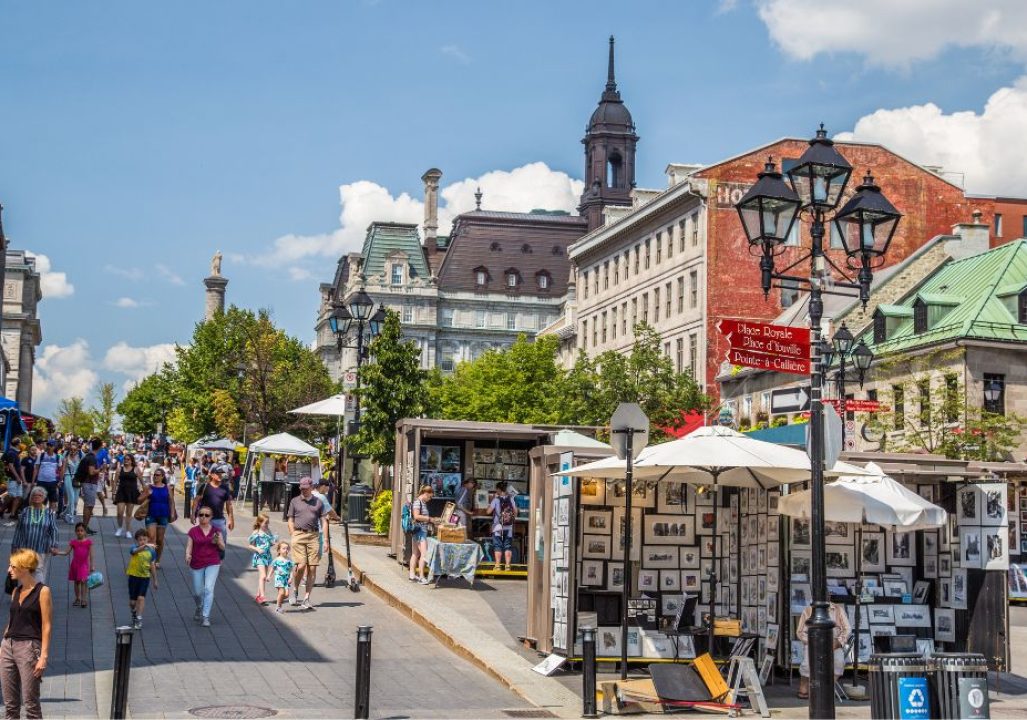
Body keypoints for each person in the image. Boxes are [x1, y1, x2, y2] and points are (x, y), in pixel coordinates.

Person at [0, 548, 53, 719]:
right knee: (10, 705)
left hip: (29, 648)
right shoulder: (16, 591)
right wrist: (3, 644)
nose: (9, 570)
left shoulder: (43, 591)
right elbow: (12, 619)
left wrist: (43, 656)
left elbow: (46, 625)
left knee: (31, 704)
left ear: (23, 567)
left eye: (12, 566)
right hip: (8, 647)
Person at [796, 601, 851, 699]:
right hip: (813, 642)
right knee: (807, 664)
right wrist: (812, 641)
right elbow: (800, 632)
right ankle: (804, 683)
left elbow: (847, 629)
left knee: (838, 662)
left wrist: (838, 642)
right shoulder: (808, 610)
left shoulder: (838, 609)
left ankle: (827, 687)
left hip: (833, 643)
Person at [286, 477, 326, 610]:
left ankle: (307, 598)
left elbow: (324, 521)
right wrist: (293, 533)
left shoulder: (319, 502)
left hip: (313, 536)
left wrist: (325, 540)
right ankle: (295, 590)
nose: (303, 490)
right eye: (302, 488)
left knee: (312, 568)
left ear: (311, 487)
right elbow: (290, 519)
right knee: (301, 565)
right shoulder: (294, 501)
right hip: (298, 534)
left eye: (306, 488)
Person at [186, 505, 225, 627]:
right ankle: (199, 607)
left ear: (211, 517)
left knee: (208, 589)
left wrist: (218, 541)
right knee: (197, 592)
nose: (203, 517)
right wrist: (187, 555)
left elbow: (223, 547)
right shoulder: (193, 531)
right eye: (201, 515)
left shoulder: (216, 531)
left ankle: (205, 616)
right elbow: (189, 546)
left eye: (206, 515)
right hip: (196, 562)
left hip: (212, 561)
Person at [11, 488, 59, 584]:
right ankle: (25, 593)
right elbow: (19, 529)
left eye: (40, 495)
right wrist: (14, 546)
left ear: (44, 498)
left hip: (42, 546)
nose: (37, 497)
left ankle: (38, 594)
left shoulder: (49, 512)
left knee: (38, 570)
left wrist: (54, 545)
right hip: (26, 547)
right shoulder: (25, 511)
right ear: (31, 498)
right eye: (34, 495)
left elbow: (54, 529)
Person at [191, 467, 234, 555]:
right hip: (205, 519)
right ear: (212, 475)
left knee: (221, 541)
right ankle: (206, 558)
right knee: (205, 541)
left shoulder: (225, 488)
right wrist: (193, 515)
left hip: (219, 519)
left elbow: (229, 504)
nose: (220, 475)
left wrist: (231, 519)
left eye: (221, 474)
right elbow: (196, 500)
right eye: (218, 473)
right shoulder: (205, 486)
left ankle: (219, 560)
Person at [139, 467, 176, 561]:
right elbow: (139, 500)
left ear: (162, 476)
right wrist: (147, 494)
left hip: (163, 515)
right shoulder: (149, 487)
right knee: (151, 537)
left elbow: (171, 501)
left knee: (159, 539)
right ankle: (151, 559)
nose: (155, 476)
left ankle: (158, 559)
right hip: (151, 514)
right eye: (154, 475)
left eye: (158, 475)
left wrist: (172, 513)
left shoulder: (167, 487)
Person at [54, 523, 93, 608]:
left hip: (84, 565)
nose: (80, 532)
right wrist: (58, 553)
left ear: (85, 532)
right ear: (75, 532)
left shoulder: (88, 542)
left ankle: (84, 599)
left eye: (82, 531)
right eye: (78, 531)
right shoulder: (73, 542)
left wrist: (92, 566)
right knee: (77, 582)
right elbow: (66, 552)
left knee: (83, 581)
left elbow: (91, 555)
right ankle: (78, 598)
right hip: (75, 565)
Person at [127, 528, 159, 630]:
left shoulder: (151, 551)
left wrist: (155, 580)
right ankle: (134, 612)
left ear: (148, 539)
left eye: (145, 539)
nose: (142, 541)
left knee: (141, 598)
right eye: (140, 539)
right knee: (132, 602)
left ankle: (139, 618)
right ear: (137, 540)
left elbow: (152, 565)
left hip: (144, 577)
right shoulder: (134, 548)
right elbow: (134, 551)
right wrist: (145, 546)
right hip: (133, 577)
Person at [407, 485, 438, 584]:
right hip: (420, 531)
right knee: (424, 554)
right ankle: (421, 576)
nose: (430, 499)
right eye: (430, 496)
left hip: (419, 530)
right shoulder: (418, 502)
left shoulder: (422, 502)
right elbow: (416, 516)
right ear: (425, 493)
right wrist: (430, 519)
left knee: (415, 553)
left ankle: (412, 575)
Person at [247, 513, 276, 605]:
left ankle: (258, 595)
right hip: (259, 556)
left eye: (268, 523)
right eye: (265, 523)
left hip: (267, 556)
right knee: (263, 576)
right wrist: (257, 549)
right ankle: (263, 596)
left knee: (262, 577)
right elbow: (250, 545)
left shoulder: (268, 531)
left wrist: (273, 542)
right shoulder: (256, 532)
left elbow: (270, 542)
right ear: (259, 523)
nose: (267, 524)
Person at [487, 481, 516, 572]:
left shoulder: (496, 500)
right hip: (509, 527)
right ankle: (507, 566)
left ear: (499, 490)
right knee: (508, 546)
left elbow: (488, 512)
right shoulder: (511, 499)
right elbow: (516, 512)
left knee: (497, 546)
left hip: (498, 527)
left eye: (497, 489)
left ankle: (498, 565)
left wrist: (492, 501)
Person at [76, 439, 102, 535]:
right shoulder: (92, 458)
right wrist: (100, 469)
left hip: (88, 483)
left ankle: (85, 527)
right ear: (99, 447)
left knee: (88, 505)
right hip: (89, 483)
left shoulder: (89, 456)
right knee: (89, 505)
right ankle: (84, 528)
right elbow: (91, 472)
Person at [114, 455, 141, 538]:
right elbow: (115, 481)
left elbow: (142, 481)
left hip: (132, 493)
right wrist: (113, 492)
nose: (126, 460)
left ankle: (128, 530)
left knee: (129, 513)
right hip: (121, 492)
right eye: (125, 459)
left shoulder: (136, 469)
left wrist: (145, 490)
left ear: (131, 461)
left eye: (128, 459)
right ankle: (119, 528)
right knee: (120, 512)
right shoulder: (119, 469)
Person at [32, 443, 61, 514]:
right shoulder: (41, 455)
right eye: (48, 445)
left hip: (52, 482)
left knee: (53, 501)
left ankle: (51, 517)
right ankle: (40, 516)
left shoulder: (57, 457)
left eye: (51, 446)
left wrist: (60, 480)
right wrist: (33, 481)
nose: (49, 447)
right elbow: (36, 468)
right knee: (40, 500)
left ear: (54, 447)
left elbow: (60, 470)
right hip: (41, 481)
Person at [2, 439, 25, 526]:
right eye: (20, 443)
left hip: (16, 478)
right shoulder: (12, 452)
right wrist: (17, 477)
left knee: (18, 496)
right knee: (12, 496)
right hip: (13, 478)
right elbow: (11, 466)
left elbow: (3, 460)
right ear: (18, 444)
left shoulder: (13, 452)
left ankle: (12, 514)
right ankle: (1, 510)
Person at [62, 440, 83, 525]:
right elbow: (63, 468)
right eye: (71, 449)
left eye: (75, 450)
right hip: (67, 476)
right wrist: (60, 479)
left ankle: (63, 514)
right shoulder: (65, 455)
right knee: (71, 497)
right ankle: (71, 517)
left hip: (77, 478)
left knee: (75, 501)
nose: (73, 451)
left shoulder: (81, 455)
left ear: (77, 449)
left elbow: (84, 467)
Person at [270, 542, 294, 615]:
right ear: (279, 550)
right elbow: (273, 568)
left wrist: (291, 577)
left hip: (286, 578)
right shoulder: (277, 560)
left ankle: (278, 600)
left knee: (286, 595)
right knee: (282, 592)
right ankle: (278, 607)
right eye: (283, 548)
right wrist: (269, 576)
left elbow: (291, 570)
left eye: (287, 548)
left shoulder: (289, 560)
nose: (286, 550)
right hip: (279, 578)